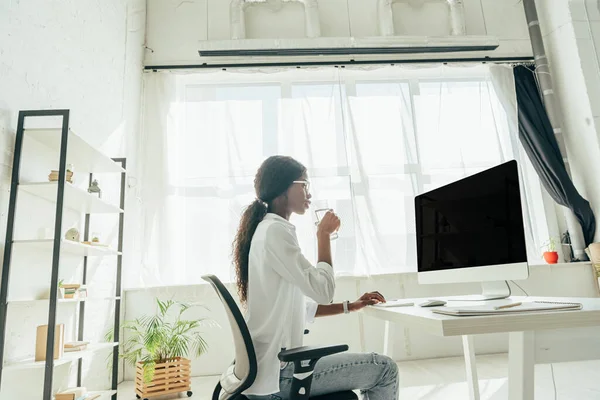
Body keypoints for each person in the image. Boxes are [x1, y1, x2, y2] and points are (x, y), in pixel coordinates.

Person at [232, 155, 399, 400]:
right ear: (284, 188)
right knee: (385, 369)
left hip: (265, 371)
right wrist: (323, 235)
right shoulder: (276, 231)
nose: (308, 193)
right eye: (304, 185)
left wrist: (350, 306)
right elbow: (323, 290)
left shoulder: (267, 229)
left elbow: (300, 307)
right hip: (280, 375)